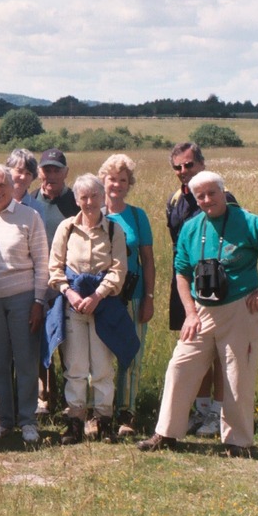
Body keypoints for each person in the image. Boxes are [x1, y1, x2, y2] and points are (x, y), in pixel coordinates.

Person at [139, 171, 258, 456]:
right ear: (195, 199)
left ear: (224, 192)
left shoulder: (248, 222)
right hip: (201, 310)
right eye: (201, 196)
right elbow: (182, 273)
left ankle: (237, 442)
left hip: (240, 309)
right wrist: (190, 312)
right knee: (180, 367)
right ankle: (166, 434)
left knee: (238, 376)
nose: (207, 199)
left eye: (213, 193)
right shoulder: (190, 228)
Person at [47, 173, 137, 445]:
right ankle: (74, 421)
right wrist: (70, 293)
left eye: (94, 196)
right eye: (83, 197)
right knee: (74, 366)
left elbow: (118, 271)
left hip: (104, 306)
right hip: (72, 306)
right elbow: (55, 268)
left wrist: (97, 297)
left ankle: (103, 421)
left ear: (102, 198)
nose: (89, 202)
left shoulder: (113, 230)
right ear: (76, 199)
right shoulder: (66, 228)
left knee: (101, 367)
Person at [0, 164, 49, 444]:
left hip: (23, 298)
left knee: (26, 360)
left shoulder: (30, 216)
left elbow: (42, 262)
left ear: (12, 186)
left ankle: (28, 420)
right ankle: (2, 420)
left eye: (2, 185)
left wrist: (39, 301)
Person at [166, 142, 238, 437]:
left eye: (189, 165)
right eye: (178, 167)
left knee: (221, 352)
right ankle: (201, 409)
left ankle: (219, 413)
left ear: (202, 164)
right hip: (185, 283)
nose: (184, 171)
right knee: (194, 348)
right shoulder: (175, 200)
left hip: (217, 286)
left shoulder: (223, 197)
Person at [99, 153, 156, 436]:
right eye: (112, 179)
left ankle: (127, 413)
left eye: (123, 180)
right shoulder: (92, 212)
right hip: (100, 295)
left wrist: (149, 298)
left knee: (131, 354)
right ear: (103, 181)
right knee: (99, 355)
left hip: (133, 295)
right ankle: (99, 411)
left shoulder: (137, 216)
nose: (117, 185)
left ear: (129, 184)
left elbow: (148, 259)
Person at [30, 147, 79, 415]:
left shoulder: (75, 201)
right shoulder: (32, 201)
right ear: (39, 173)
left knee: (68, 343)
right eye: (46, 169)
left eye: (56, 170)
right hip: (37, 282)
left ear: (66, 172)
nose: (51, 175)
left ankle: (73, 399)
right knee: (40, 341)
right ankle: (43, 397)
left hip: (68, 284)